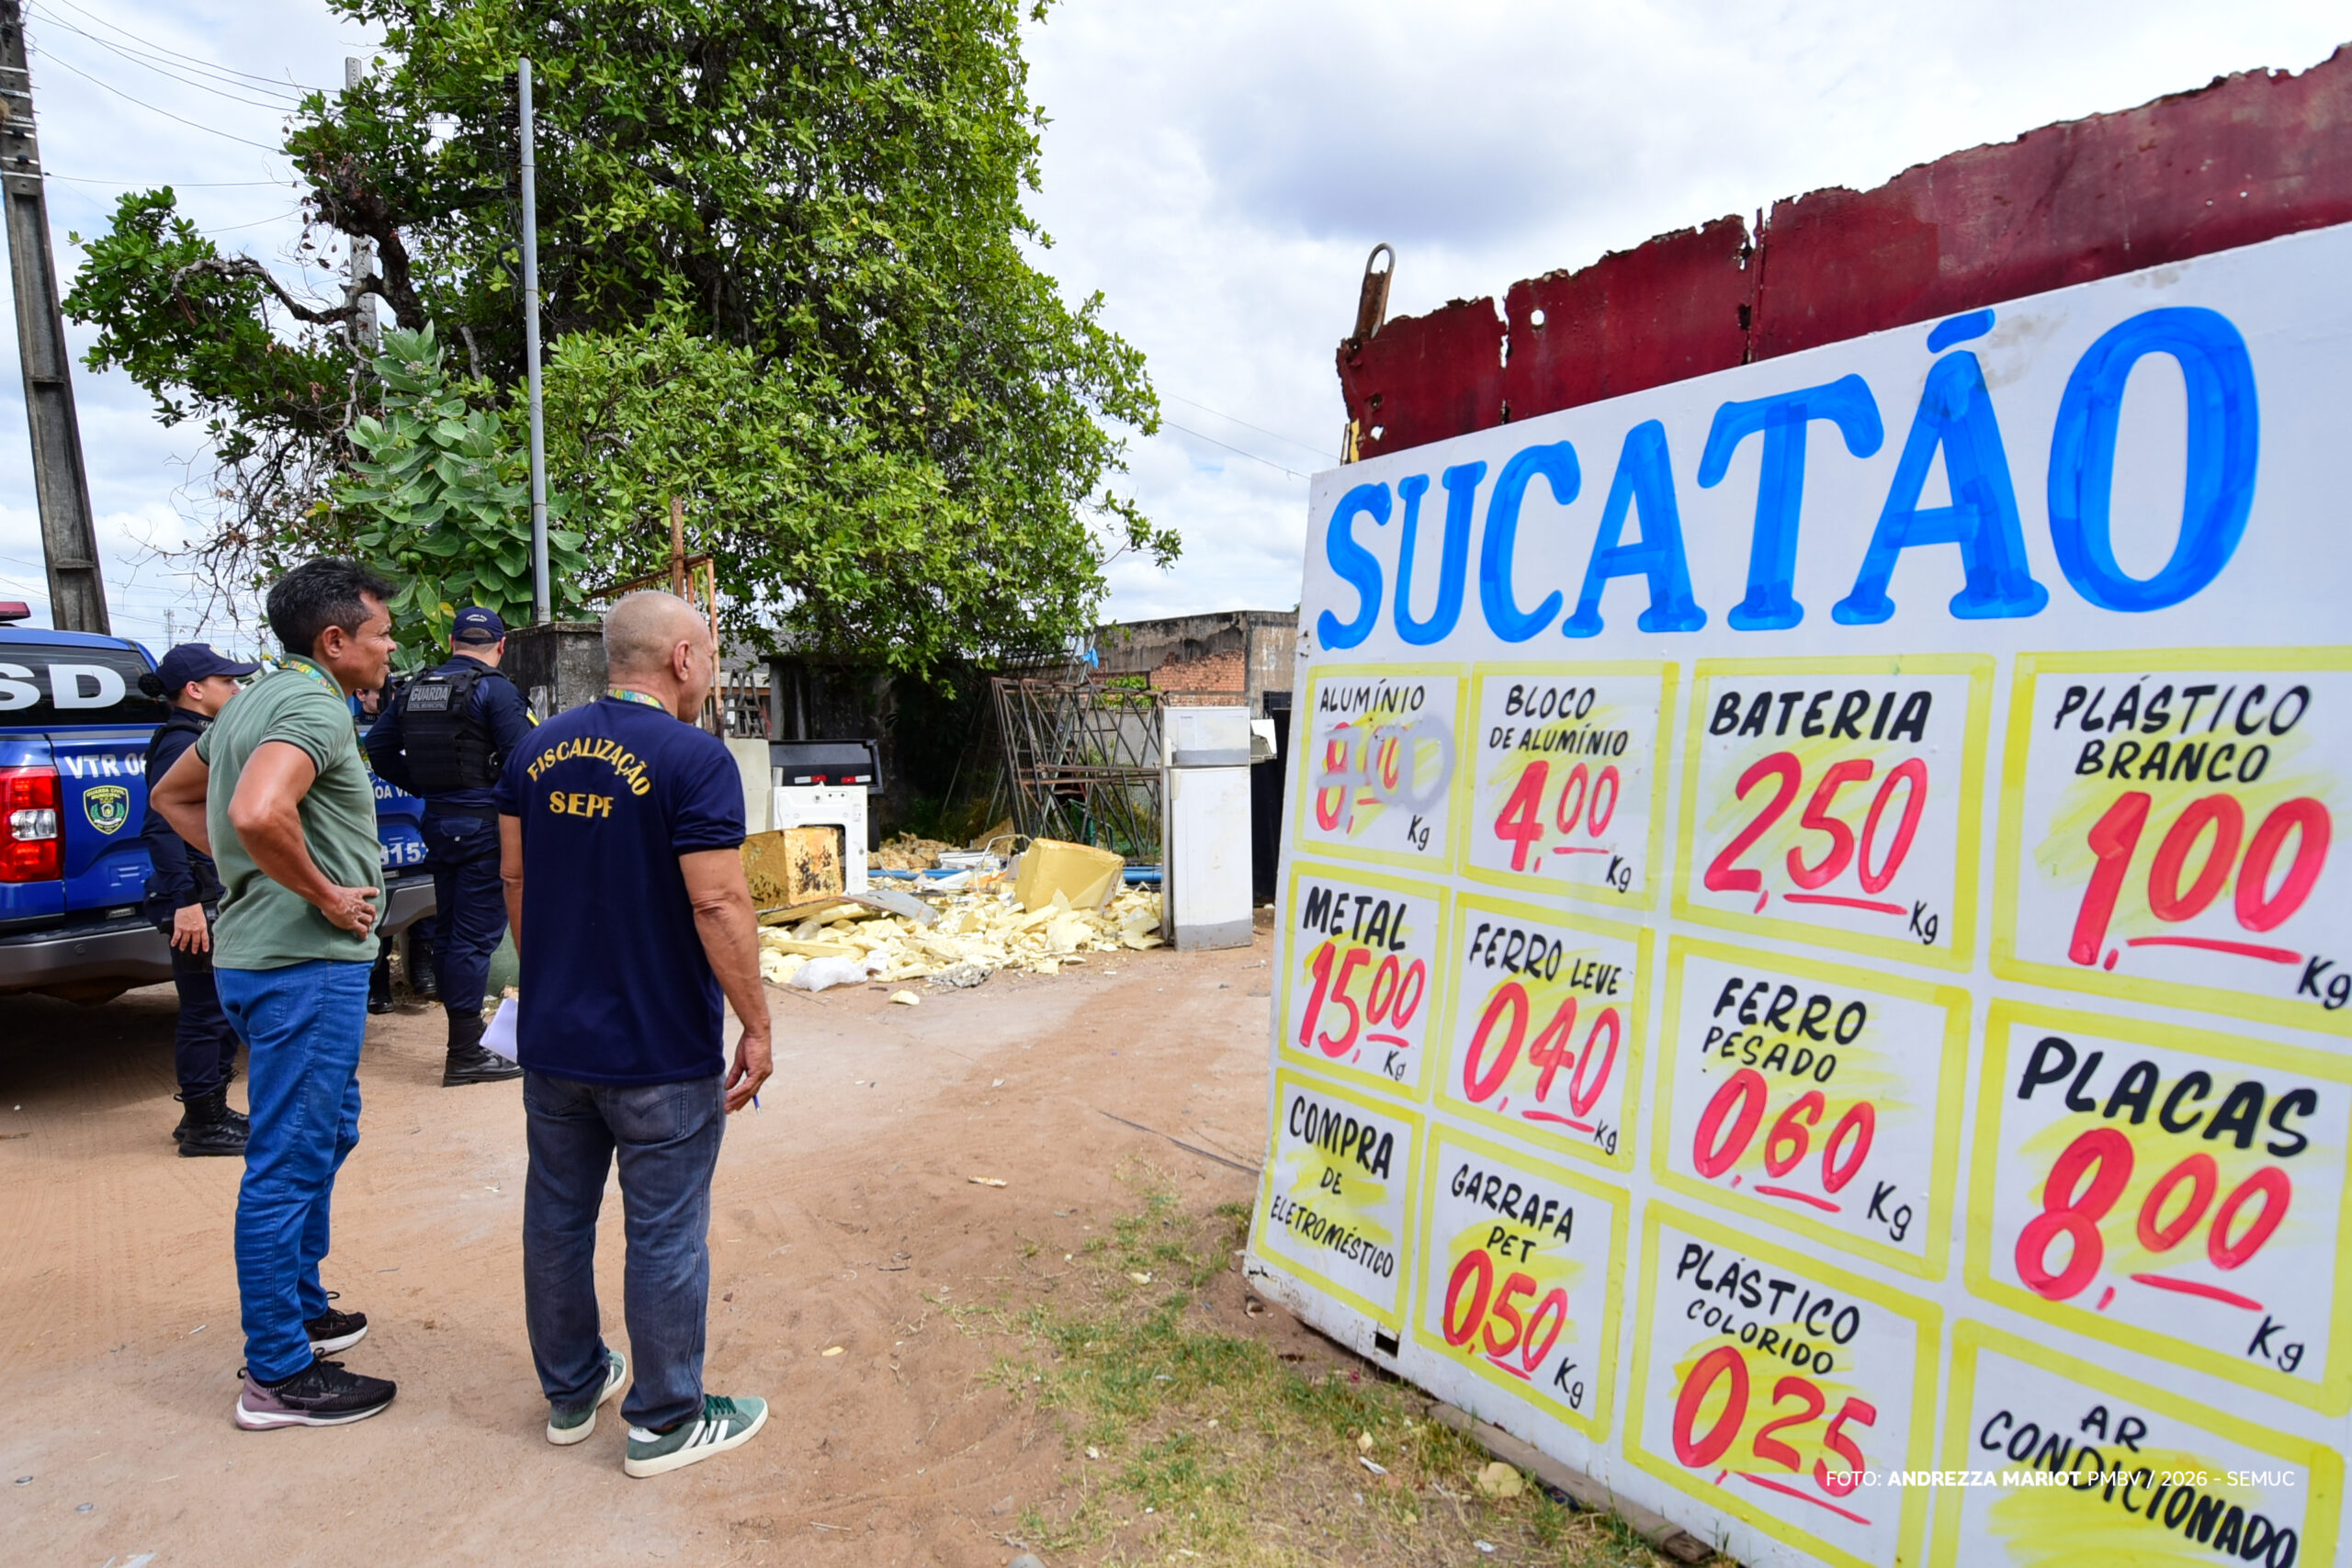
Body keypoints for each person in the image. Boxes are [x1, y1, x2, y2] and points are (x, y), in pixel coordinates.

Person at [495, 591, 772, 1477]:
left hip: (554, 1038)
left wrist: (557, 979)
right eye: (714, 655)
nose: (714, 671)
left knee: (557, 1214)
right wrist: (756, 1023)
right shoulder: (694, 759)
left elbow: (515, 880)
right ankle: (663, 1420)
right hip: (657, 1047)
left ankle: (574, 1390)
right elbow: (719, 900)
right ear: (684, 659)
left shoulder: (533, 749)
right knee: (664, 1229)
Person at [149, 558, 401, 1430]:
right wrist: (325, 893)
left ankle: (298, 1307)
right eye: (380, 632)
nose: (390, 646)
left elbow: (176, 794)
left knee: (329, 1128)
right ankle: (279, 1375)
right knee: (288, 1160)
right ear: (335, 641)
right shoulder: (307, 704)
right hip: (303, 964)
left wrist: (247, 878)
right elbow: (257, 812)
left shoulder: (251, 698)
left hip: (264, 959)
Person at [366, 606, 530, 1083]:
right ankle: (464, 1052)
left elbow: (378, 748)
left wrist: (426, 788)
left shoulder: (415, 688)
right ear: (501, 646)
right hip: (485, 827)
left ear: (453, 640)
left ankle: (466, 1042)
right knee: (475, 938)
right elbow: (524, 761)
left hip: (438, 823)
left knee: (449, 931)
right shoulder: (495, 690)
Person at [138, 642, 260, 1156]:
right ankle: (203, 1122)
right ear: (194, 690)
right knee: (205, 1012)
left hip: (204, 895)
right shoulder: (179, 742)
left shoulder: (200, 736)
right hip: (194, 900)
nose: (235, 690)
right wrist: (186, 900)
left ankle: (207, 1113)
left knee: (216, 1009)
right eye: (226, 682)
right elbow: (160, 825)